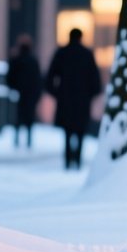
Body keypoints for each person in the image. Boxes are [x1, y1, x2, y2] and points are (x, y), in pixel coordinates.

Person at [45, 28, 102, 170]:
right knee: (81, 131)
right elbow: (95, 80)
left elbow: (50, 77)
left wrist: (57, 93)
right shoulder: (87, 54)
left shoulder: (62, 53)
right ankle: (77, 159)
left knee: (67, 131)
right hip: (83, 100)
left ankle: (68, 159)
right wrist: (90, 94)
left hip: (65, 99)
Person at [7, 34, 42, 149]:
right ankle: (28, 139)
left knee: (18, 115)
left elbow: (10, 76)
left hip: (19, 92)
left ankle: (17, 138)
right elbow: (38, 79)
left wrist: (12, 88)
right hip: (30, 93)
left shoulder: (15, 60)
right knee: (29, 116)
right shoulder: (33, 60)